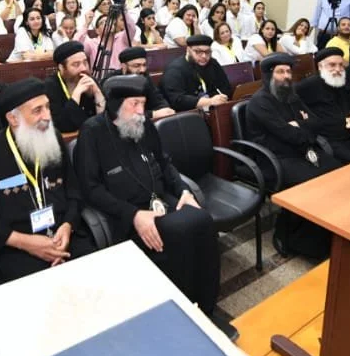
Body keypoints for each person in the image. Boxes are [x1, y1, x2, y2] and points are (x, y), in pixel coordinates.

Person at [74, 75, 234, 338]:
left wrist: (183, 190)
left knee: (201, 223)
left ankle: (205, 309)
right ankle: (180, 317)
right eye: (134, 104)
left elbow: (165, 162)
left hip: (160, 201)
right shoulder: (92, 132)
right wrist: (133, 214)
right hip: (124, 214)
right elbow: (90, 190)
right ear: (115, 106)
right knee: (189, 229)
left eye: (143, 103)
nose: (140, 111)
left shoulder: (143, 125)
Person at [0, 78, 95, 283]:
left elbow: (74, 192)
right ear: (13, 119)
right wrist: (27, 243)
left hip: (64, 239)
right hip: (16, 250)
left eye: (48, 107)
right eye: (37, 110)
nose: (47, 116)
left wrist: (68, 226)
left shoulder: (54, 138)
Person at [245, 53, 340, 258]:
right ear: (269, 76)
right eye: (281, 72)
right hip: (275, 158)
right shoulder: (260, 102)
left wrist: (301, 125)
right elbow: (288, 134)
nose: (286, 76)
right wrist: (302, 127)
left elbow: (317, 123)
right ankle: (289, 237)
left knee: (337, 173)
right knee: (314, 186)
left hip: (302, 151)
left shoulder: (292, 96)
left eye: (289, 71)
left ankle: (329, 236)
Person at [295, 48, 350, 164]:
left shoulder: (339, 81)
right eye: (332, 65)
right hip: (328, 142)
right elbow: (287, 100)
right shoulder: (308, 85)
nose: (338, 69)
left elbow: (345, 108)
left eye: (341, 65)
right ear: (320, 67)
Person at [44, 41, 104, 134]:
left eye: (85, 62)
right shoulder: (49, 87)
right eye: (76, 64)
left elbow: (105, 120)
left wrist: (97, 93)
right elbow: (63, 126)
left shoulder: (90, 80)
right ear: (61, 68)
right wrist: (77, 94)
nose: (83, 68)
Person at [161, 35, 231, 112]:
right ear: (188, 50)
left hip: (213, 109)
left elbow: (225, 86)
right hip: (186, 114)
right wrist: (209, 101)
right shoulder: (174, 70)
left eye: (207, 52)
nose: (204, 56)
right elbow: (177, 99)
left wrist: (221, 98)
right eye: (198, 52)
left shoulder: (212, 63)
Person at [116, 47, 174, 119]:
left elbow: (157, 99)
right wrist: (153, 114)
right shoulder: (113, 82)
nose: (142, 70)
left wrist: (165, 109)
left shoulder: (144, 76)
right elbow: (119, 113)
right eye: (137, 66)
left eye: (144, 65)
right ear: (123, 66)